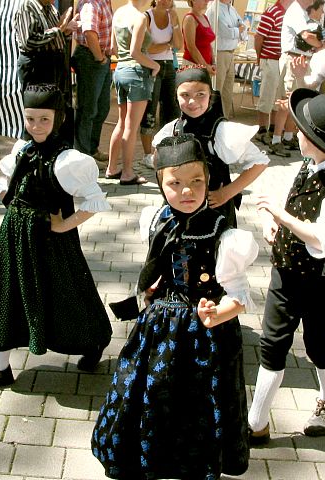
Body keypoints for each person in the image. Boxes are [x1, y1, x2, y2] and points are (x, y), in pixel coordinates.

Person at [91, 133, 258, 479]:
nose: (187, 191)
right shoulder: (156, 220)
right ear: (160, 184)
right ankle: (151, 457)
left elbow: (239, 296)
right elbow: (159, 265)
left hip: (206, 335)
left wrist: (218, 313)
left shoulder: (224, 235)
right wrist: (154, 288)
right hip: (160, 326)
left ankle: (191, 466)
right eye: (175, 183)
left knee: (196, 405)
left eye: (196, 181)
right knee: (151, 391)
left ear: (209, 180)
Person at [0, 84, 113, 393]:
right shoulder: (22, 150)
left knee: (65, 292)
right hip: (14, 238)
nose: (36, 126)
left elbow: (94, 201)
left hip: (50, 243)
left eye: (44, 119)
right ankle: (0, 367)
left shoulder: (69, 160)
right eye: (30, 118)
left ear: (58, 119)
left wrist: (64, 226)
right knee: (8, 296)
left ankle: (94, 340)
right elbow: (10, 195)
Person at [248, 89, 325, 444]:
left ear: (317, 142)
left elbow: (324, 239)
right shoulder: (308, 166)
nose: (296, 133)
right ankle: (256, 423)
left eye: (302, 131)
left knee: (317, 345)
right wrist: (275, 226)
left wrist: (281, 215)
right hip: (285, 274)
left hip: (319, 283)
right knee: (272, 344)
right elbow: (297, 210)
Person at [153, 66, 269, 227]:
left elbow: (260, 162)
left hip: (214, 211)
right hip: (179, 209)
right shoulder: (171, 130)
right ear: (176, 97)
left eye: (200, 94)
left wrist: (226, 193)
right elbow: (157, 161)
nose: (192, 101)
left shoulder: (222, 130)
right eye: (185, 95)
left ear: (210, 95)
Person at [104, 0, 160, 185]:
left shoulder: (119, 13)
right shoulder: (140, 17)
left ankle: (112, 168)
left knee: (121, 123)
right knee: (131, 126)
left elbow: (113, 49)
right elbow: (135, 52)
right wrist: (155, 65)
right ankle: (127, 173)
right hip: (136, 73)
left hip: (119, 70)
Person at [13, 0, 79, 145]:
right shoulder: (27, 7)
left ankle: (52, 147)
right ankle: (32, 151)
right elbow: (28, 41)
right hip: (37, 65)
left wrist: (65, 31)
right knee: (37, 110)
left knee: (53, 108)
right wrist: (59, 29)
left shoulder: (50, 8)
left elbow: (55, 36)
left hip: (54, 64)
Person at [269, 0, 324, 157]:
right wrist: (320, 44)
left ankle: (287, 136)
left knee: (296, 100)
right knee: (288, 101)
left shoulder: (301, 10)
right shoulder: (296, 10)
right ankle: (276, 140)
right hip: (293, 58)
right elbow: (306, 36)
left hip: (301, 58)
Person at [139, 0, 183, 168]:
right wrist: (169, 44)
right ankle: (146, 155)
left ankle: (169, 150)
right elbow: (148, 48)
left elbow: (179, 45)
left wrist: (175, 25)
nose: (166, 1)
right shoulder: (147, 17)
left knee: (172, 108)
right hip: (152, 67)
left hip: (169, 66)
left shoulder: (172, 16)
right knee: (150, 111)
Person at [72, 0, 113, 161]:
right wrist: (99, 57)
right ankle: (83, 155)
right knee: (88, 109)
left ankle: (91, 148)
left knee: (102, 108)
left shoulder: (103, 2)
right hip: (91, 58)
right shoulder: (91, 4)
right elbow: (89, 32)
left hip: (100, 58)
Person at [253, 0, 293, 146]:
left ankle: (273, 129)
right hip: (270, 58)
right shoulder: (272, 12)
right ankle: (262, 130)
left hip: (281, 59)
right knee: (267, 95)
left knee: (278, 97)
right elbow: (259, 37)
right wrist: (260, 57)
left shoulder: (289, 12)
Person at [206, 0, 248, 118]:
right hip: (219, 54)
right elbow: (227, 32)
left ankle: (224, 118)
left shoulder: (232, 9)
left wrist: (238, 29)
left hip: (230, 54)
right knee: (216, 90)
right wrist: (238, 29)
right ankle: (213, 119)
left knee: (228, 91)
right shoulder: (215, 9)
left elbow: (244, 28)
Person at [181, 0, 216, 77]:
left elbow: (208, 44)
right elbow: (191, 47)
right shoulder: (189, 18)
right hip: (192, 66)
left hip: (205, 67)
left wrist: (213, 63)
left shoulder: (205, 17)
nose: (207, 1)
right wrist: (206, 66)